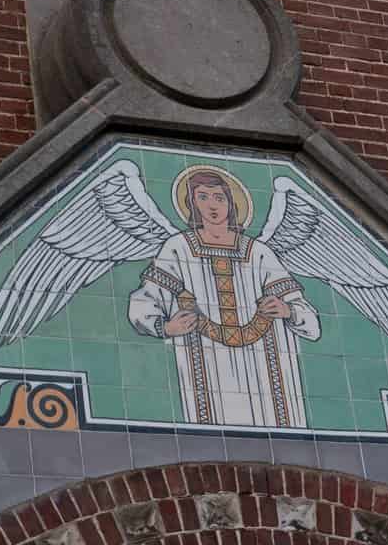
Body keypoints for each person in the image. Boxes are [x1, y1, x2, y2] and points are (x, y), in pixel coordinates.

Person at [129, 168, 321, 427]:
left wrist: (288, 310)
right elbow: (145, 301)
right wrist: (165, 326)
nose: (213, 206)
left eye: (220, 198)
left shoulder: (258, 253)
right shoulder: (179, 248)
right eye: (203, 197)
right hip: (207, 366)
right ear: (191, 203)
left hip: (263, 367)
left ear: (232, 204)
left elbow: (310, 322)